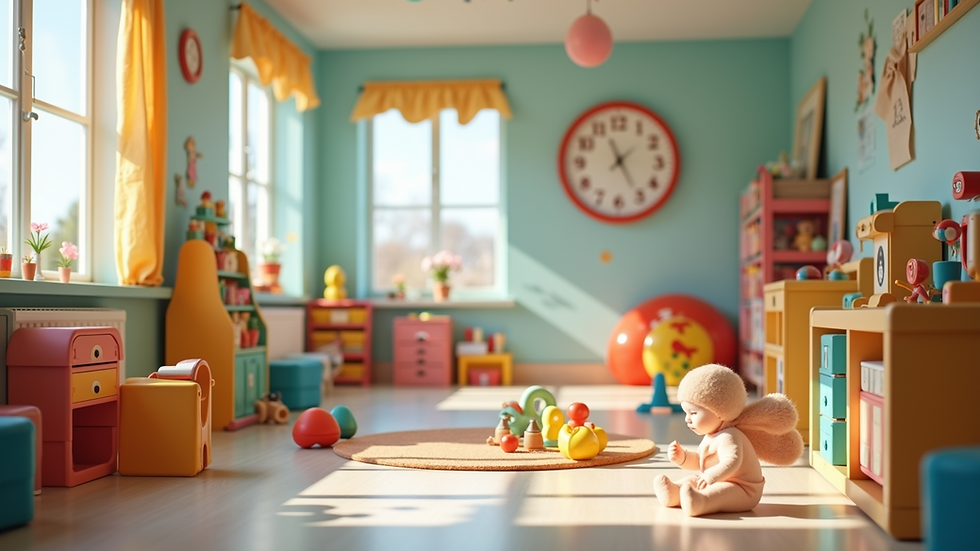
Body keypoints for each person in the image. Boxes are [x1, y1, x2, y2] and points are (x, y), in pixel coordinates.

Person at [653, 363, 804, 516]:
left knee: (720, 491)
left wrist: (710, 476)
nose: (687, 419)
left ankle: (700, 502)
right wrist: (683, 457)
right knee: (693, 481)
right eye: (686, 413)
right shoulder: (711, 435)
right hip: (717, 480)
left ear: (719, 413)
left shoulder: (729, 436)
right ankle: (674, 493)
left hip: (743, 490)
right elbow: (699, 461)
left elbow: (732, 462)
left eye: (693, 413)